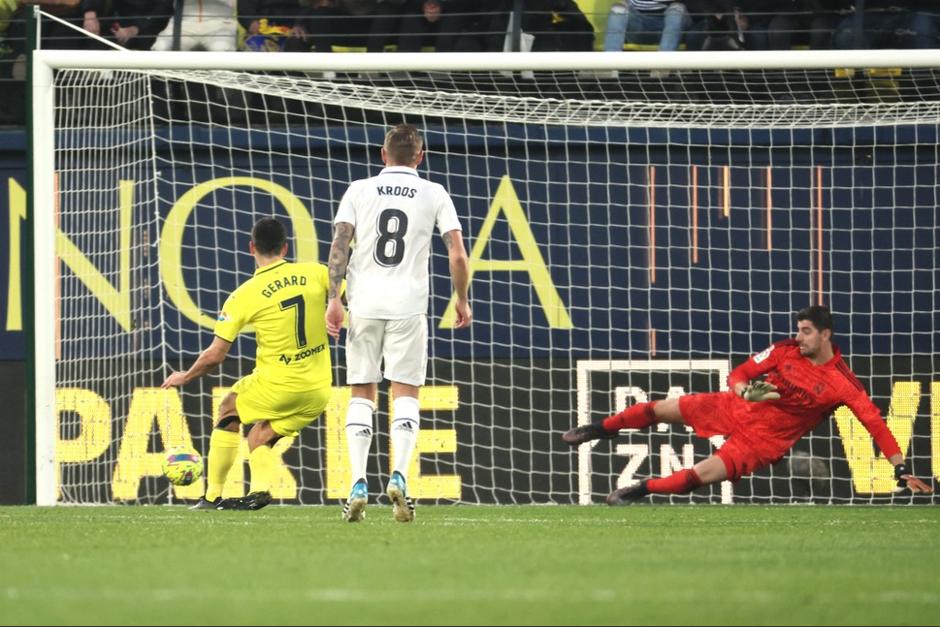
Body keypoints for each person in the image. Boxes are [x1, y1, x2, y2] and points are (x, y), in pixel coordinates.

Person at [563, 305, 933, 504]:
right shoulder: (785, 350)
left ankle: (641, 490)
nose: (799, 336)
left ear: (825, 335)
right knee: (660, 408)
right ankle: (598, 430)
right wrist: (741, 391)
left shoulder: (843, 384)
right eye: (798, 329)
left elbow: (875, 424)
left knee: (697, 477)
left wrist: (900, 469)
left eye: (806, 331)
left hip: (763, 443)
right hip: (733, 406)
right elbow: (741, 371)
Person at [326, 123, 471, 523]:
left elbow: (340, 245)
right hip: (409, 305)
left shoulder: (358, 189)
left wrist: (334, 299)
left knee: (361, 391)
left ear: (382, 154)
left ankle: (357, 483)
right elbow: (457, 254)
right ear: (420, 157)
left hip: (365, 303)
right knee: (405, 392)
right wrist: (461, 298)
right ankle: (400, 478)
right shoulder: (434, 192)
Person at [162, 217, 333, 511]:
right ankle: (259, 491)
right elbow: (352, 296)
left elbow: (216, 355)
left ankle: (212, 496)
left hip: (279, 385)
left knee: (229, 408)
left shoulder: (243, 295)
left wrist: (186, 376)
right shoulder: (317, 273)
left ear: (251, 247)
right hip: (318, 390)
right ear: (286, 247)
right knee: (259, 436)